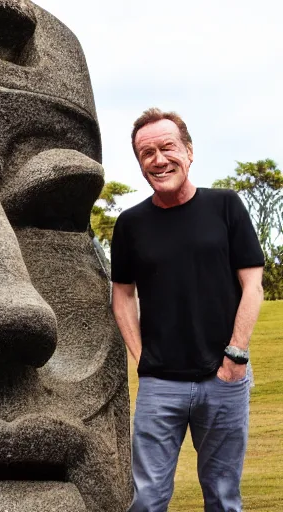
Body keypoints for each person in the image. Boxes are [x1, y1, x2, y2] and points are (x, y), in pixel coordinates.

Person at [110, 107, 265, 511]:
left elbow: (253, 285)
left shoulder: (226, 207)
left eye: (167, 147)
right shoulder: (130, 224)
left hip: (224, 379)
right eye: (147, 153)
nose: (158, 159)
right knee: (147, 497)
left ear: (189, 152)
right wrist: (143, 358)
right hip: (160, 386)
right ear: (140, 164)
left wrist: (236, 356)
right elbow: (122, 294)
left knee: (223, 496)